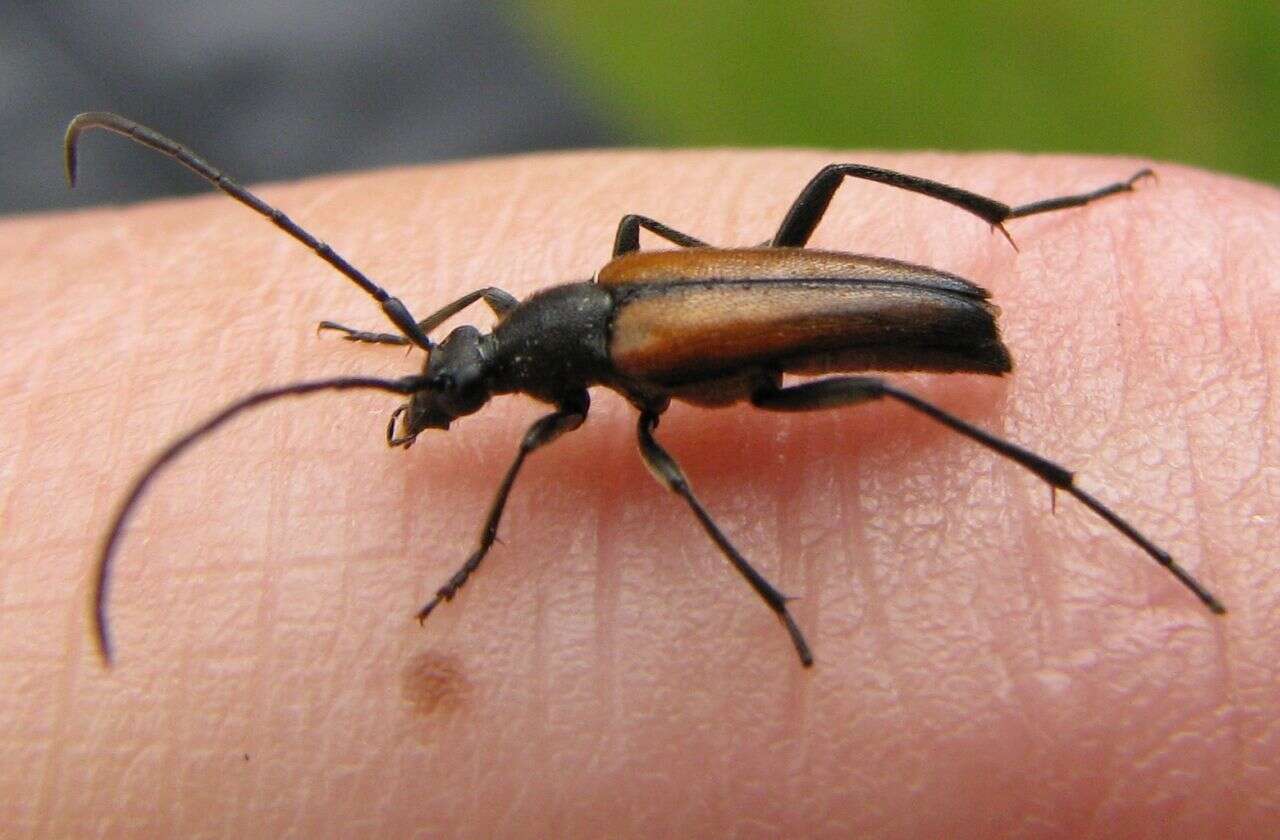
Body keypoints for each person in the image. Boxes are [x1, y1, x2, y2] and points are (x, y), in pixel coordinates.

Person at [5, 149, 1274, 836]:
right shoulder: (584, 310)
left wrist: (496, 544)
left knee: (868, 396)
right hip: (731, 306)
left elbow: (569, 437)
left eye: (463, 383)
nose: (460, 389)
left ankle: (1045, 360)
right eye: (460, 379)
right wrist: (425, 364)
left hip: (880, 323)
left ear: (528, 369)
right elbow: (492, 331)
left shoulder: (596, 372)